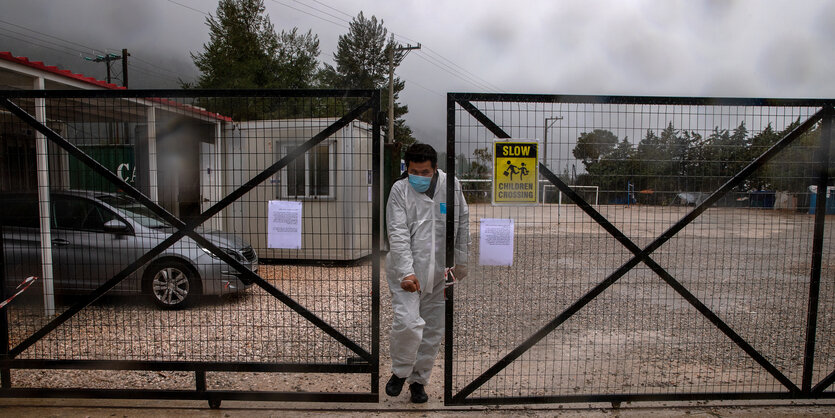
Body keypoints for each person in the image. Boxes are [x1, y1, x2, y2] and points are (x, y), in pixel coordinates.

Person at [384, 143, 469, 403]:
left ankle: (418, 382)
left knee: (432, 331)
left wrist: (462, 260)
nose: (419, 177)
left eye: (424, 172)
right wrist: (407, 273)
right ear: (406, 168)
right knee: (408, 323)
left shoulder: (451, 185)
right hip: (407, 273)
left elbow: (462, 220)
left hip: (440, 272)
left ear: (435, 168)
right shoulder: (400, 190)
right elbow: (397, 234)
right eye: (413, 171)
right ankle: (400, 371)